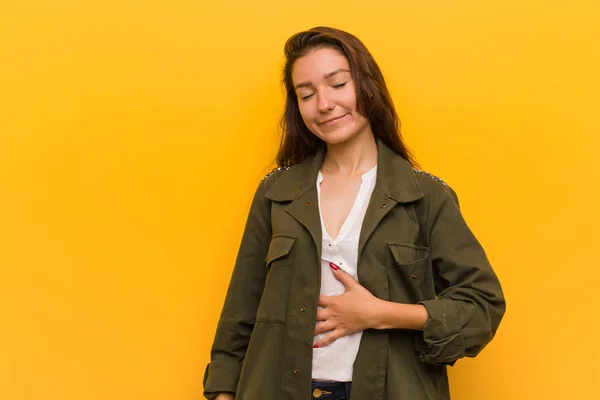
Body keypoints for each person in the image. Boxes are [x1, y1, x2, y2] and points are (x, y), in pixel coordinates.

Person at [203, 26, 506, 400]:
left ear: (367, 85)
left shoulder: (426, 196)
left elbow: (481, 307)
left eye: (338, 84)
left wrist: (380, 313)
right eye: (307, 94)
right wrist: (222, 394)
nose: (324, 104)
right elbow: (240, 312)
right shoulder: (276, 193)